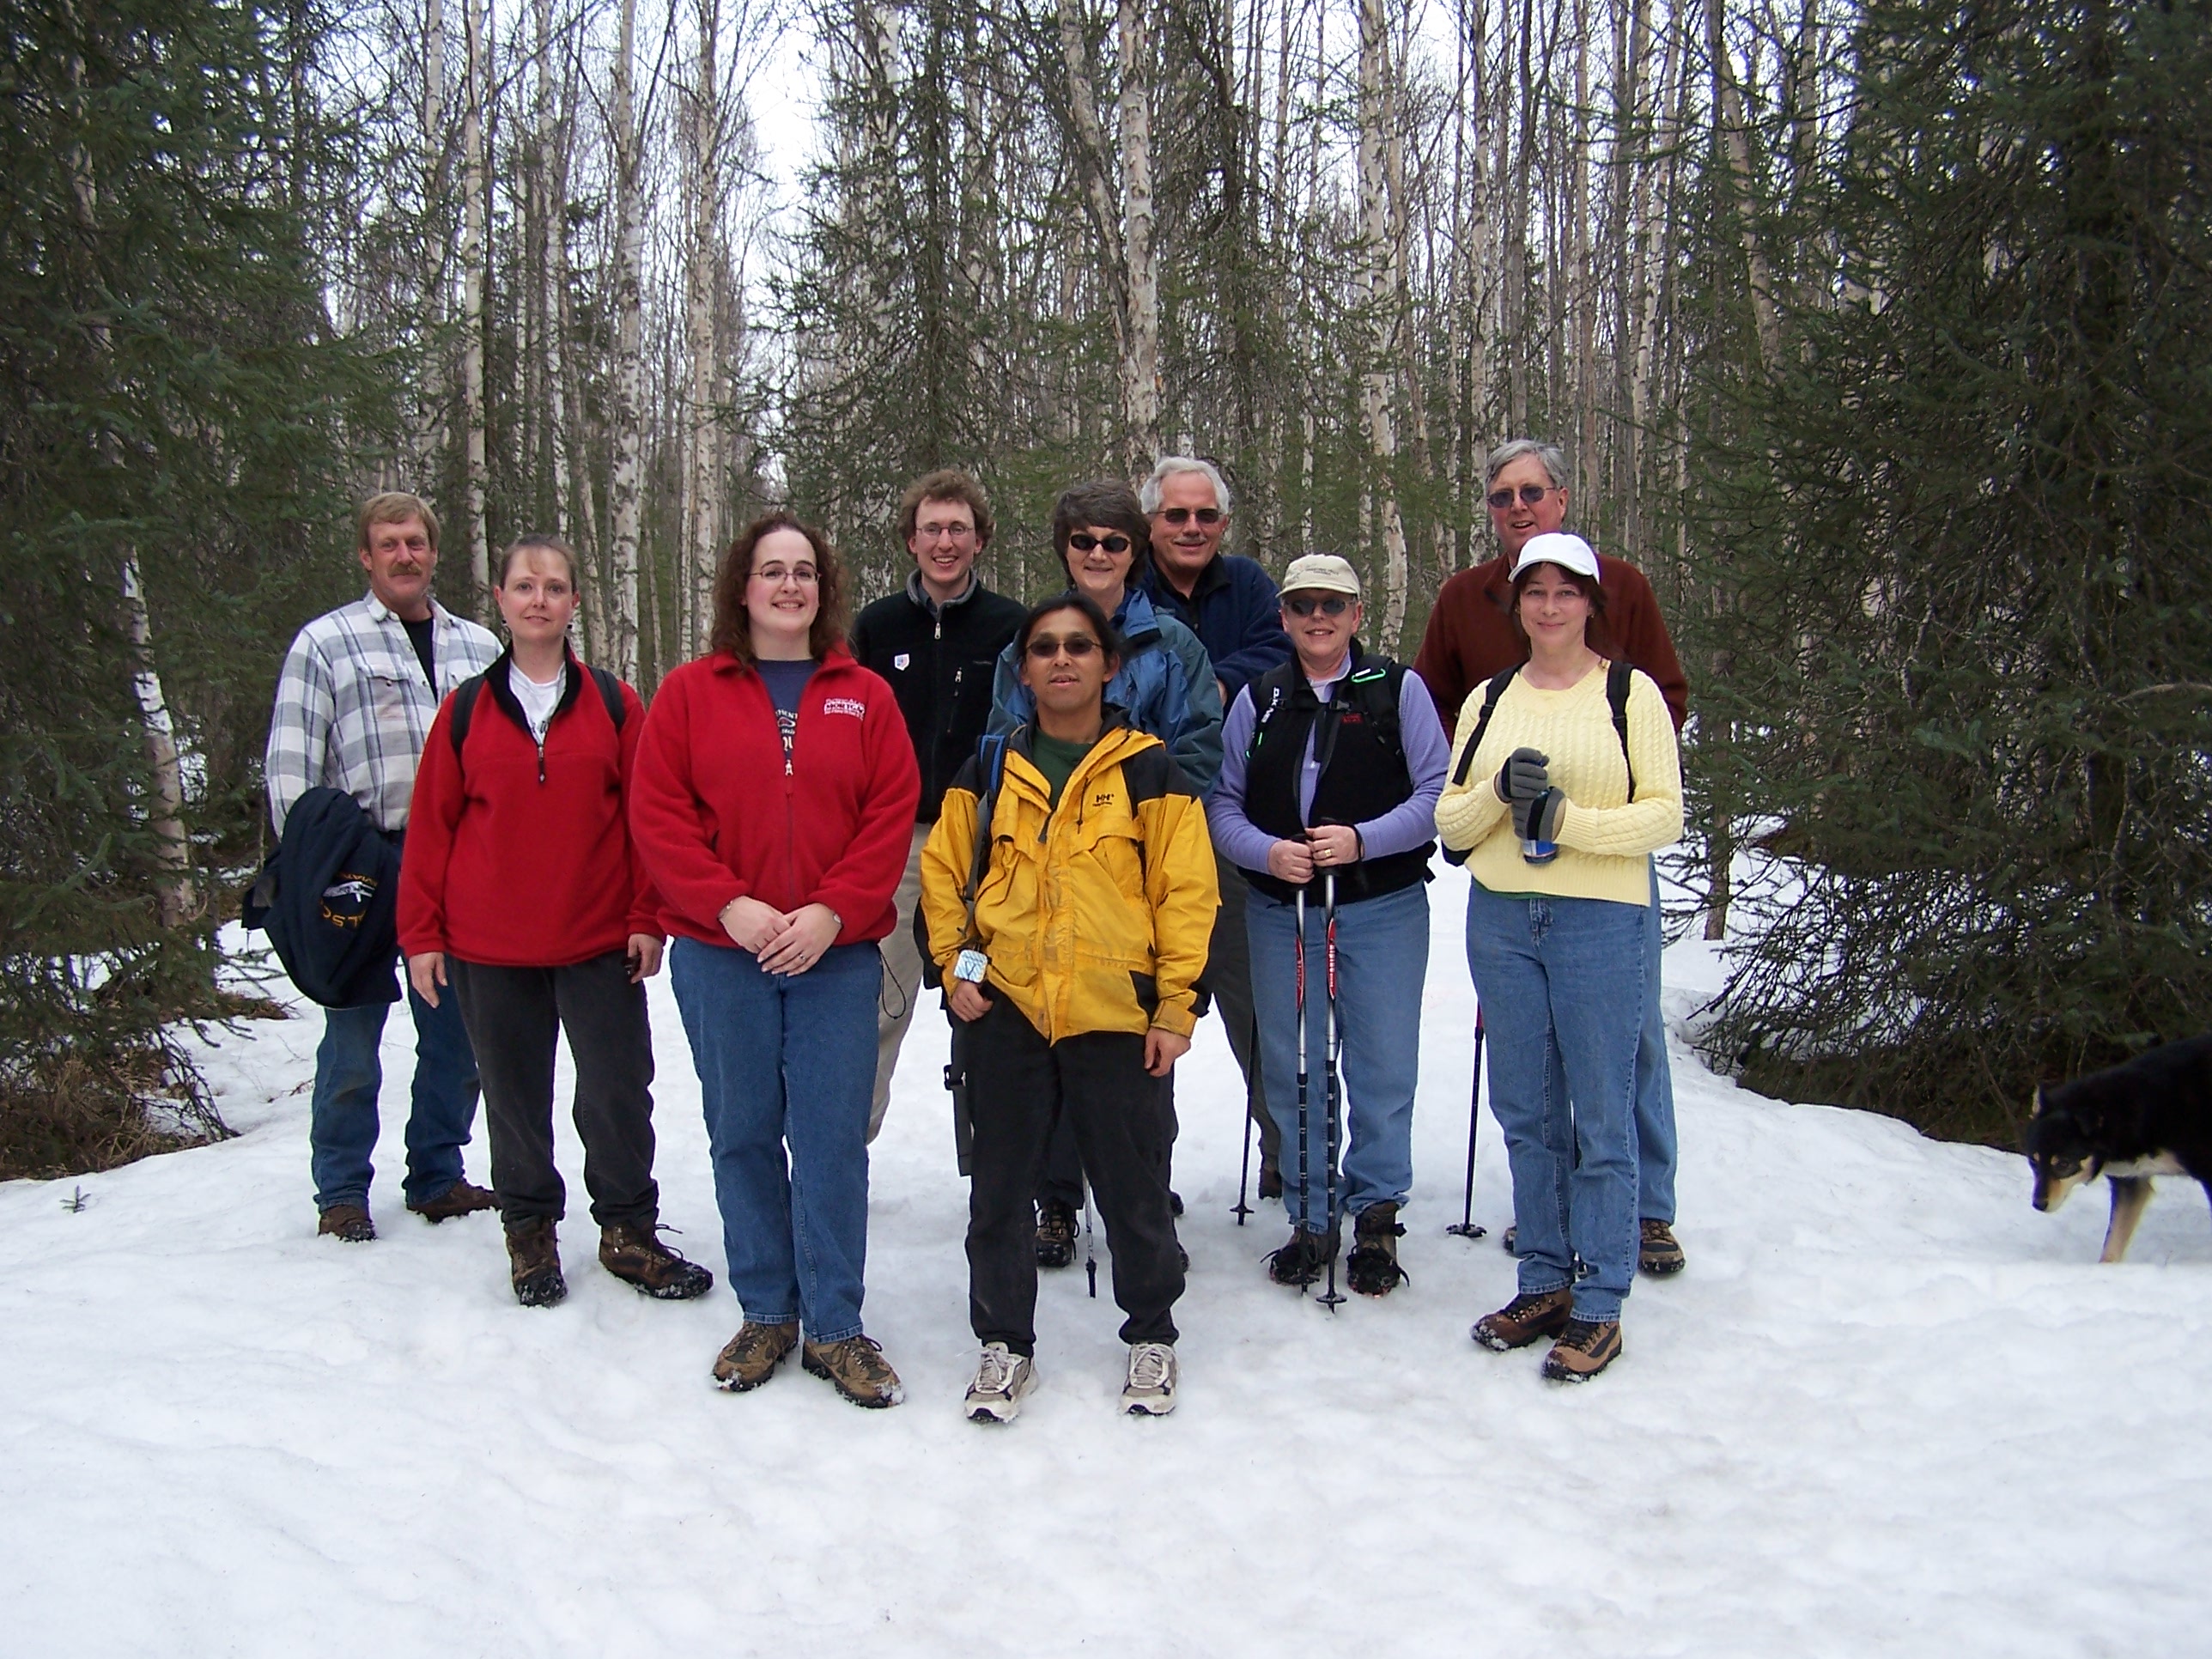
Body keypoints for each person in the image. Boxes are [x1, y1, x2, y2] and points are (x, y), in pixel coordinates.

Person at [629, 512, 921, 1407]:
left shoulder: (863, 695)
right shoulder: (690, 693)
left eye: (804, 571)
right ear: (743, 587)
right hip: (725, 954)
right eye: (772, 571)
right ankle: (766, 1311)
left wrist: (834, 911)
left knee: (831, 1140)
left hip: (835, 956)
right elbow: (658, 813)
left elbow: (890, 812)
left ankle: (834, 1323)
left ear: (821, 589)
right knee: (744, 1131)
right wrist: (729, 903)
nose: (789, 585)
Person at [924, 593, 1218, 1420]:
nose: (1062, 660)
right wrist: (959, 971)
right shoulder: (988, 770)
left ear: (1109, 665)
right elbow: (947, 881)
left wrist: (1174, 1009)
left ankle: (1152, 1334)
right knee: (999, 1192)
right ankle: (1004, 1346)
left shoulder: (1151, 772)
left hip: (1114, 1012)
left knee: (1134, 1187)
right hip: (1008, 1011)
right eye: (1045, 648)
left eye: (1079, 646)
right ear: (1023, 670)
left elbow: (1186, 895)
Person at [398, 534, 710, 1310]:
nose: (539, 599)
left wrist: (647, 916)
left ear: (573, 602)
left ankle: (628, 1229)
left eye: (554, 587)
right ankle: (530, 1232)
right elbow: (431, 829)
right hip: (489, 945)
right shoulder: (465, 711)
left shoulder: (614, 703)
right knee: (513, 1098)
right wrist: (422, 935)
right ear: (500, 601)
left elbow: (649, 818)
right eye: (524, 586)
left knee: (615, 1092)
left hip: (597, 937)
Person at [1413, 439, 1692, 1277]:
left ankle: (1643, 1210)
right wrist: (1481, 785)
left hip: (1604, 864)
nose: (1517, 507)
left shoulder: (1622, 587)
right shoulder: (1463, 599)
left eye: (1531, 492)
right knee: (1529, 1071)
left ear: (1561, 499)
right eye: (1502, 496)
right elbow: (1431, 704)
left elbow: (1663, 702)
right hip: (1506, 873)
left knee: (1625, 1046)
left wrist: (1596, 788)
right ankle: (1552, 1219)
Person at [989, 480, 1223, 1265]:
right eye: (1083, 540)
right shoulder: (1032, 640)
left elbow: (1200, 741)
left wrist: (1149, 803)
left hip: (1141, 862)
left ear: (1136, 550)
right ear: (1064, 549)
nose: (1098, 553)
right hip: (1047, 864)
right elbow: (1003, 743)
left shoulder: (1173, 644)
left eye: (1114, 542)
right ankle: (1056, 1202)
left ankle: (1143, 1202)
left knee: (1138, 1050)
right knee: (1052, 1030)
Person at [1207, 556, 1447, 1294]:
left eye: (1333, 604)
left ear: (1356, 614)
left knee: (1382, 1063)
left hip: (1381, 905)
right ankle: (1311, 1213)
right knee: (1293, 1062)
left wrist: (1363, 840)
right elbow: (1222, 803)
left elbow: (1436, 793)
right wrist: (1267, 852)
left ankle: (1376, 1212)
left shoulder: (1396, 690)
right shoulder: (1261, 698)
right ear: (1284, 616)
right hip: (1282, 909)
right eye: (1304, 604)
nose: (1319, 617)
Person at [264, 492, 500, 1243]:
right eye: (388, 543)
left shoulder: (477, 648)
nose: (404, 555)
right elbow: (290, 767)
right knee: (353, 1038)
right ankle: (340, 1190)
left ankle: (437, 1173)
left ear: (433, 552)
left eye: (415, 542)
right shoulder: (326, 644)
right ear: (366, 556)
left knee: (458, 1035)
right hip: (363, 863)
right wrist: (316, 867)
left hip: (455, 864)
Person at [848, 471, 1025, 1143]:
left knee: (980, 992)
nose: (945, 542)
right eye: (932, 529)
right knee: (879, 1003)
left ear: (980, 540)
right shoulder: (877, 626)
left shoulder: (1010, 626)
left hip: (981, 853)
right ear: (911, 540)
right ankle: (844, 1152)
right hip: (896, 848)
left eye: (958, 529)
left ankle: (999, 1160)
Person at [1139, 456, 1290, 1200]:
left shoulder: (1250, 585)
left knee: (1253, 995)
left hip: (1231, 817)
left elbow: (1280, 651)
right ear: (1151, 523)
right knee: (1143, 1001)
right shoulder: (1128, 588)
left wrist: (1205, 681)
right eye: (1176, 515)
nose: (1192, 528)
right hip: (1143, 824)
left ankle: (1286, 1148)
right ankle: (1143, 1171)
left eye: (1205, 515)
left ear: (1223, 523)